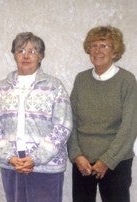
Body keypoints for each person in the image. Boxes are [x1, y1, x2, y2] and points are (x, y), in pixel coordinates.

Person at [0, 32, 72, 202]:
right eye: (20, 50)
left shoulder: (55, 86)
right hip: (12, 165)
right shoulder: (0, 89)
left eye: (32, 51)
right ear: (14, 55)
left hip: (47, 166)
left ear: (41, 56)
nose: (26, 55)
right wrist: (9, 157)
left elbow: (63, 126)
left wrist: (35, 158)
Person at [67, 25, 137, 202]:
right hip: (83, 162)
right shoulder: (81, 79)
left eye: (104, 46)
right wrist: (76, 155)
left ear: (115, 52)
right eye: (94, 45)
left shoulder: (127, 81)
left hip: (116, 162)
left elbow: (129, 126)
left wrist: (107, 160)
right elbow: (69, 119)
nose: (97, 50)